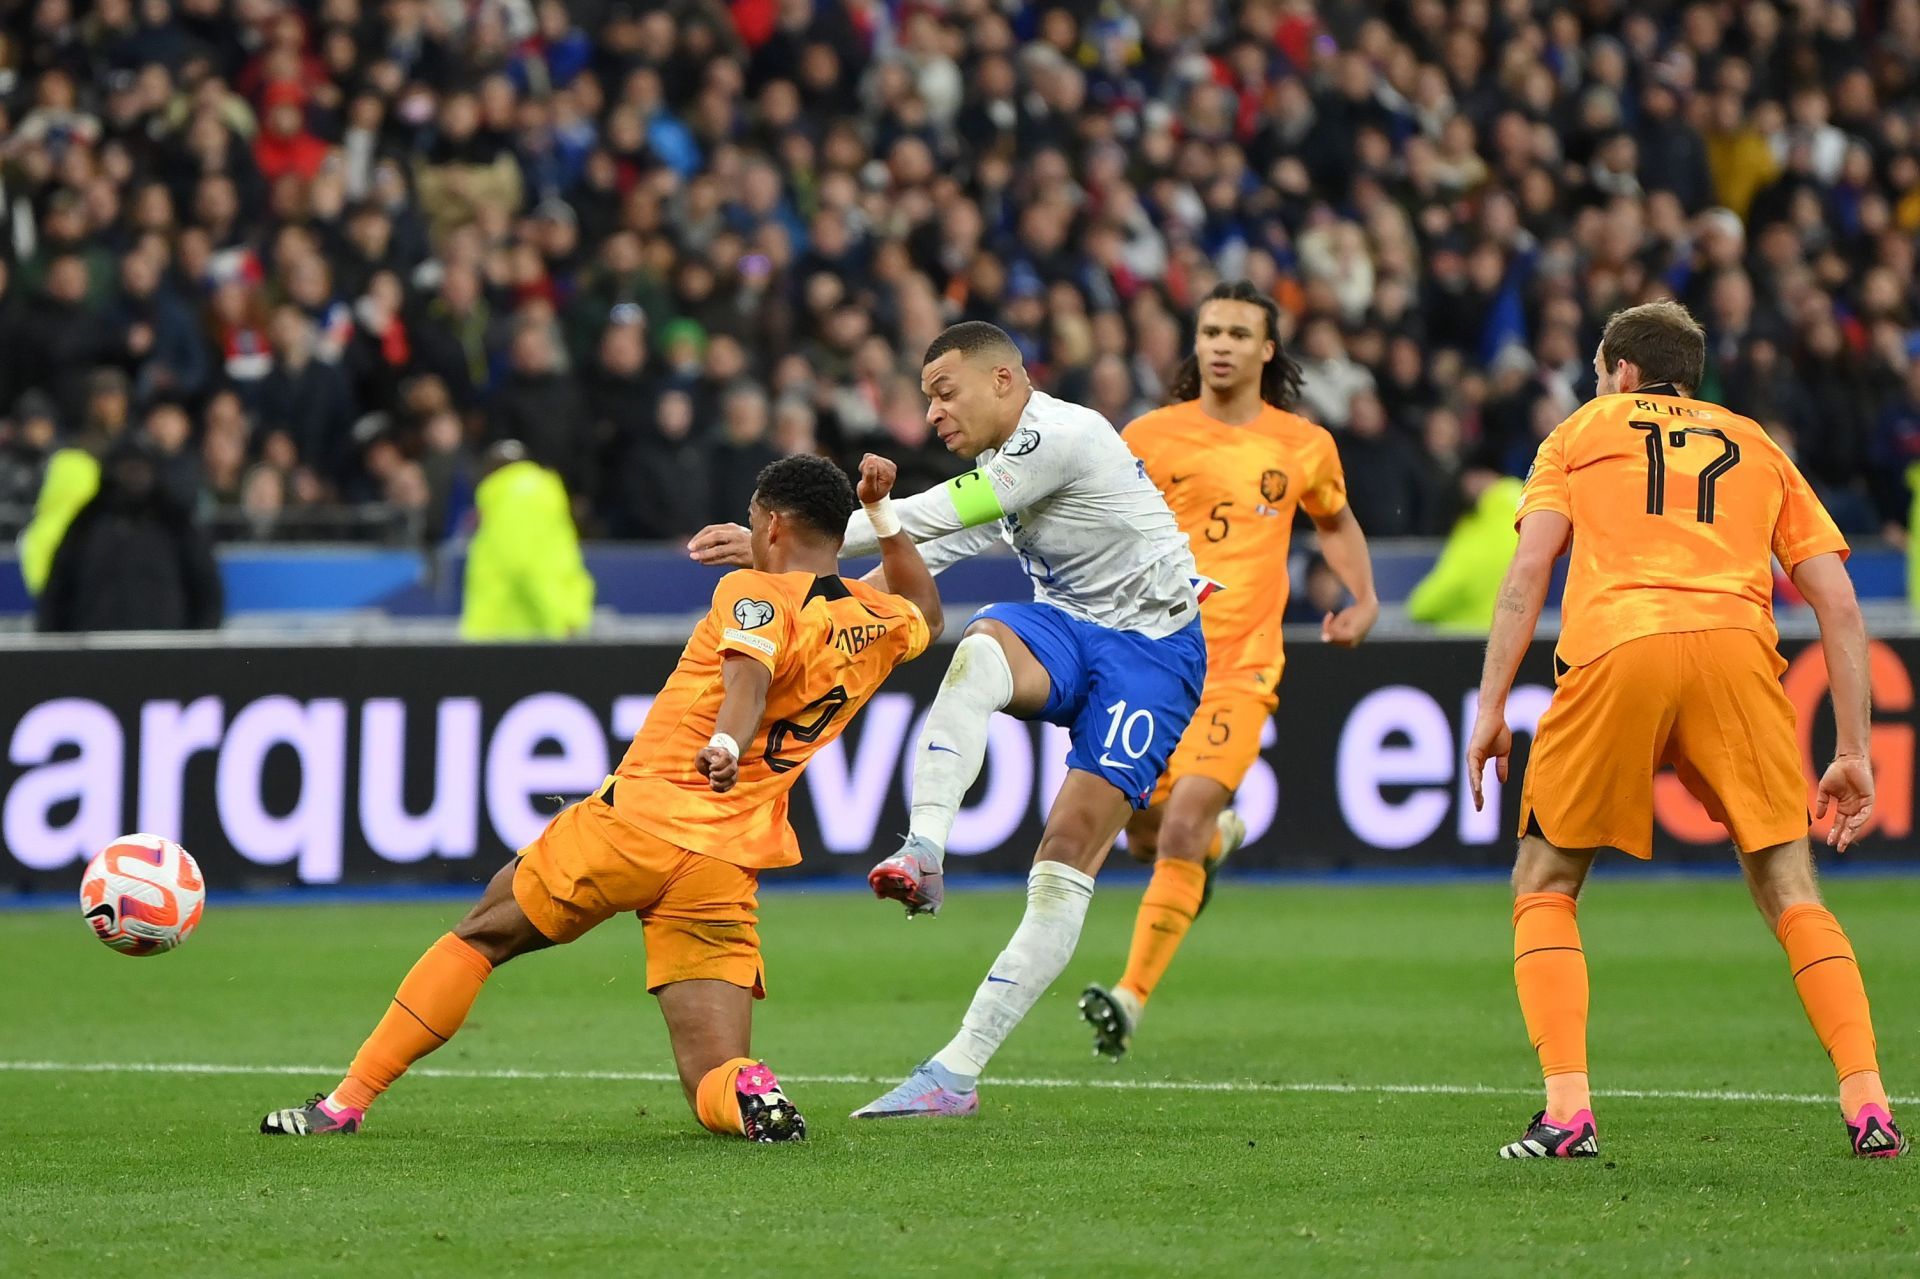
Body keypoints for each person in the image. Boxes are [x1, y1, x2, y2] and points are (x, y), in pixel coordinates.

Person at [261, 453, 943, 1142]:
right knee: (712, 1066)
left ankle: (342, 1103)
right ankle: (747, 1091)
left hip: (637, 822)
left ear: (769, 524)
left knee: (481, 937)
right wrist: (884, 515)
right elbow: (928, 612)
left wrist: (729, 746)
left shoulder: (752, 592)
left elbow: (748, 683)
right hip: (724, 860)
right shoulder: (875, 621)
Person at [693, 321, 1207, 1119]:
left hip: (1156, 654)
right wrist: (804, 582)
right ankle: (925, 845)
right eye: (926, 395)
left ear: (1004, 380)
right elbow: (912, 557)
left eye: (943, 390)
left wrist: (780, 537)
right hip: (1070, 626)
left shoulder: (1062, 435)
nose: (931, 411)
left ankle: (956, 1070)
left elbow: (931, 511)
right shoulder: (1004, 468)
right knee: (981, 648)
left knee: (1067, 853)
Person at [1466, 300, 1904, 1160]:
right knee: (1790, 885)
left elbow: (1528, 570)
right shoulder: (1757, 442)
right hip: (1737, 655)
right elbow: (1839, 603)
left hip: (1618, 649)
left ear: (1621, 371)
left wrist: (1491, 704)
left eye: (1600, 371)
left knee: (1546, 880)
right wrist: (1851, 749)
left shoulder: (1582, 431)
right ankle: (1870, 1103)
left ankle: (1567, 1115)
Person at [1078, 281, 1379, 1060]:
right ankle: (1213, 848)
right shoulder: (1147, 433)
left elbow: (1336, 519)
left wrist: (1364, 596)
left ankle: (1129, 995)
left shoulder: (1303, 444)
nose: (1221, 344)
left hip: (1241, 667)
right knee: (1142, 831)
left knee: (1179, 824)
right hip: (1147, 662)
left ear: (1266, 350)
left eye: (1240, 333)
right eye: (1211, 330)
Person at [37, 438, 223, 632]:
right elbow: (57, 592)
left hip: (167, 649)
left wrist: (198, 646)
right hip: (94, 648)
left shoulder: (175, 523)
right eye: (127, 467)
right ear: (111, 472)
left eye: (142, 467)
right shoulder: (87, 523)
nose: (135, 475)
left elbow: (207, 590)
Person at [460, 441, 595, 640]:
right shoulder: (538, 494)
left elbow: (527, 569)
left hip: (513, 636)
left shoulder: (514, 500)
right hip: (527, 636)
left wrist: (559, 627)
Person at [1405, 450, 1525, 632]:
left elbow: (1452, 583)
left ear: (1474, 477)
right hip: (1517, 634)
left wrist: (1416, 607)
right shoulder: (1529, 512)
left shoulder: (1478, 528)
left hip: (1466, 634)